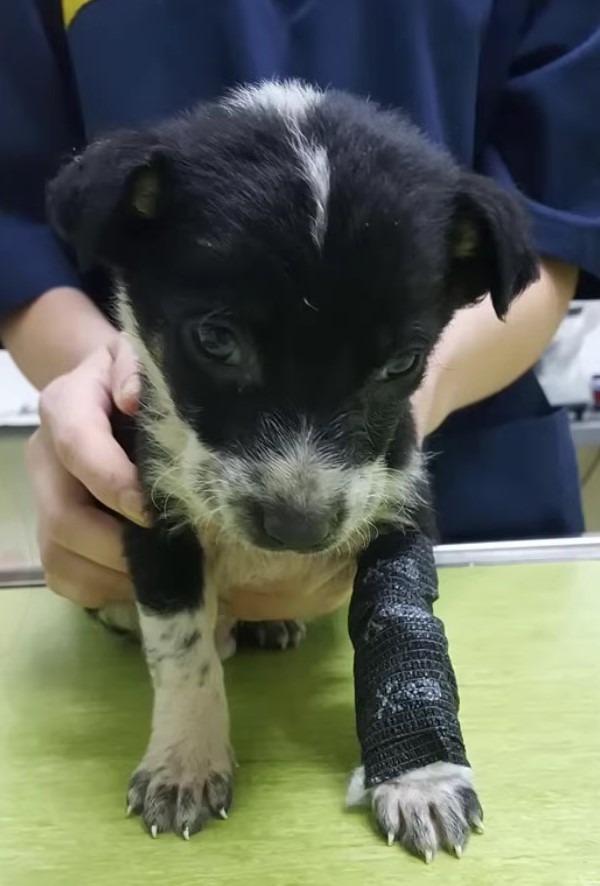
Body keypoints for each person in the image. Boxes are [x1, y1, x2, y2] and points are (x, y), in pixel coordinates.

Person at [0, 1, 598, 614]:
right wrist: (106, 395)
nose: (299, 504)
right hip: (144, 528)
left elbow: (550, 234)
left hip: (482, 520)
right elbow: (16, 234)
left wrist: (413, 398)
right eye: (220, 343)